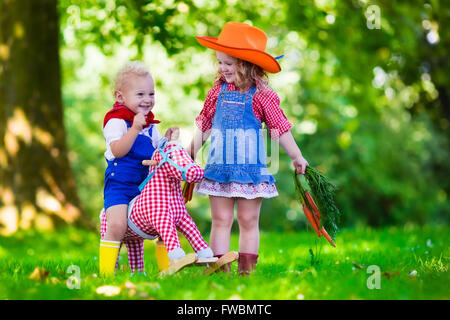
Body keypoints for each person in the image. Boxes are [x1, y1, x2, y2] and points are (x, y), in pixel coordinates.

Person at [187, 22, 309, 275]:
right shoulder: (216, 93)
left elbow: (279, 129)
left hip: (251, 171)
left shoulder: (262, 95)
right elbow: (205, 125)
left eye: (228, 63)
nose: (222, 68)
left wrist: (296, 156)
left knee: (248, 220)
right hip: (218, 168)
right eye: (220, 62)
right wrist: (189, 153)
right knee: (220, 220)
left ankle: (246, 272)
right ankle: (220, 270)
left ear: (246, 64)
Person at [99, 61, 177, 276]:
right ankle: (106, 274)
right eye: (140, 94)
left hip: (145, 186)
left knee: (164, 219)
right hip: (120, 186)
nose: (147, 100)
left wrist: (167, 140)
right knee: (117, 226)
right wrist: (134, 128)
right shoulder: (116, 122)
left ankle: (168, 269)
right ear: (120, 97)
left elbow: (158, 152)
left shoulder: (151, 126)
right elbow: (117, 150)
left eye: (151, 94)